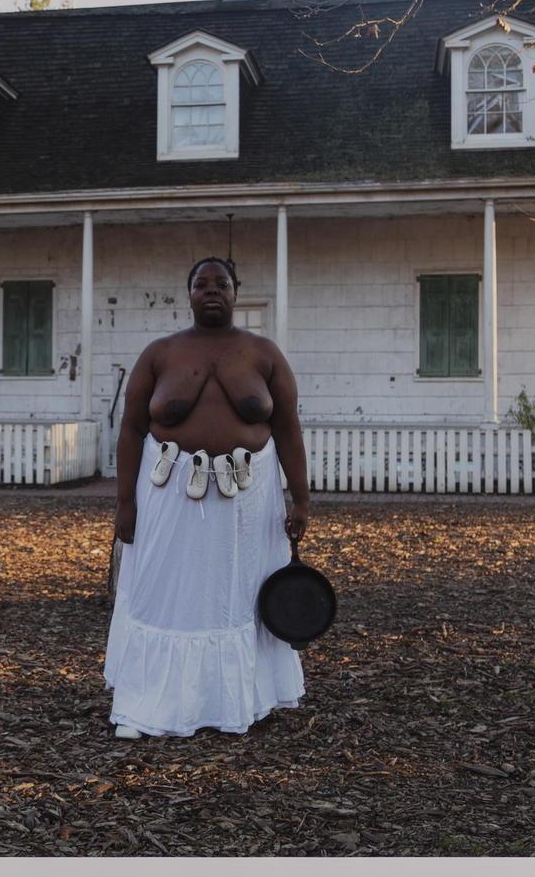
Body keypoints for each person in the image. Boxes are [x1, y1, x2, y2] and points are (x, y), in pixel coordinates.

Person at [104, 256, 310, 739]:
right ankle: (144, 704)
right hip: (168, 496)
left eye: (221, 283)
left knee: (236, 597)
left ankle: (238, 700)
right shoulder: (160, 353)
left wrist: (300, 499)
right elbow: (132, 429)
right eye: (201, 284)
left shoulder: (264, 354)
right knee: (162, 593)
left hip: (247, 499)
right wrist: (124, 502)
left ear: (236, 292)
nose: (211, 290)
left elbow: (289, 430)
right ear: (189, 293)